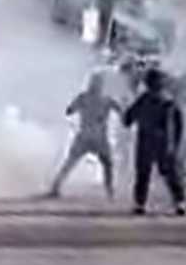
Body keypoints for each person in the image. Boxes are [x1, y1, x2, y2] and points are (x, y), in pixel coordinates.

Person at [48, 72, 120, 200]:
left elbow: (69, 110)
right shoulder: (103, 99)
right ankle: (109, 192)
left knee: (72, 162)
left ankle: (56, 187)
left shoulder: (87, 98)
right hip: (94, 136)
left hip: (89, 136)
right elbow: (121, 111)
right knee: (105, 164)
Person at [124, 68, 185, 216]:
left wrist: (175, 141)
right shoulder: (166, 100)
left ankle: (143, 203)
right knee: (163, 173)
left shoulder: (158, 100)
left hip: (153, 141)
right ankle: (177, 203)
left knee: (159, 173)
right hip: (159, 142)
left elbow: (127, 118)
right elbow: (179, 123)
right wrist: (175, 142)